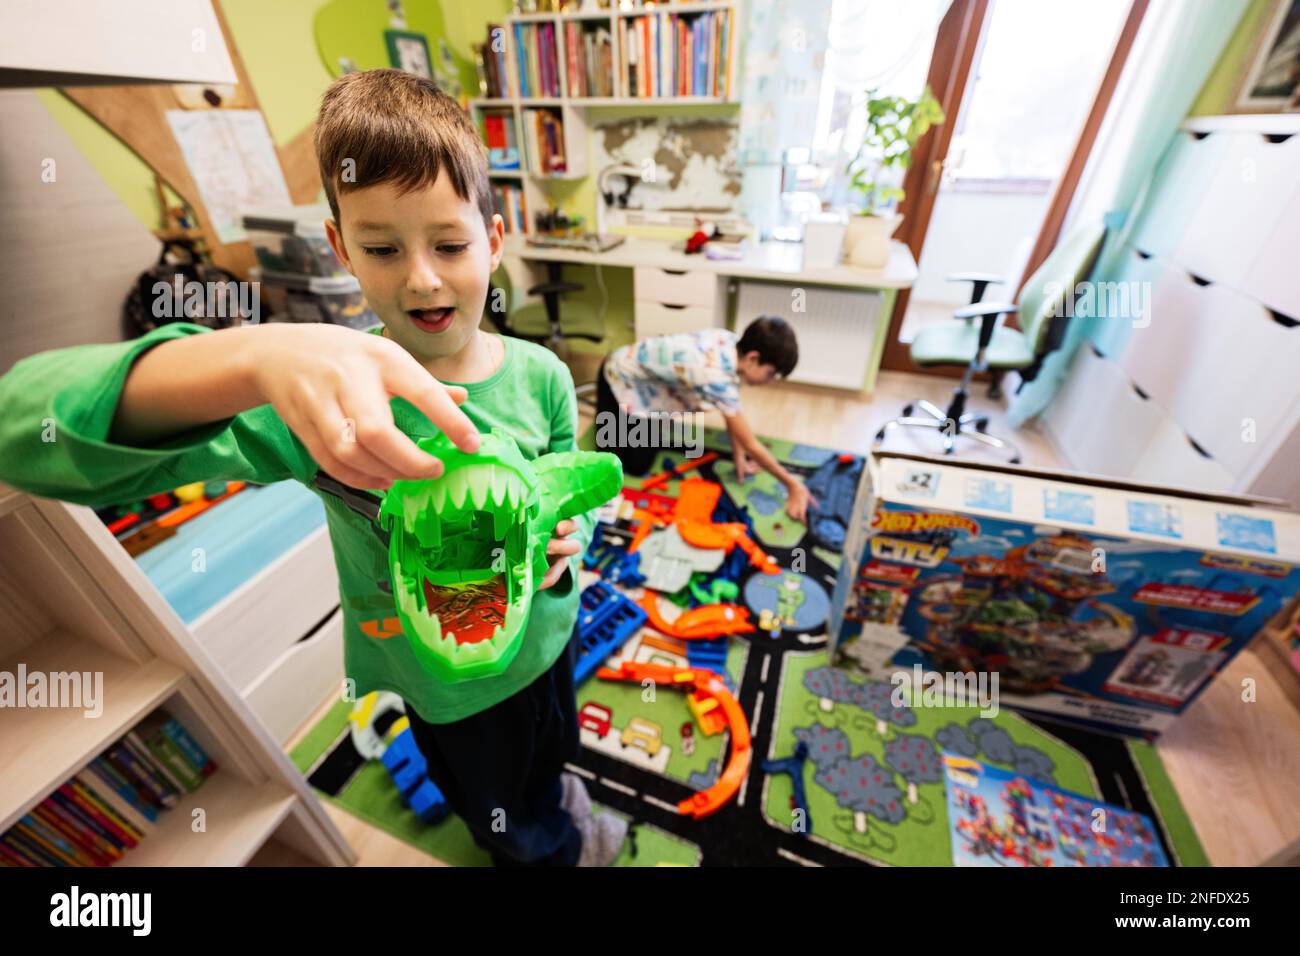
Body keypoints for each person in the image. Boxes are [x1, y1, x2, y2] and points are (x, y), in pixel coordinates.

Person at [0, 69, 624, 867]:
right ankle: (548, 849)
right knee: (500, 806)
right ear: (340, 251)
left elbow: (562, 485)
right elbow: (26, 430)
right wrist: (257, 355)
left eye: (450, 243)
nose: (423, 277)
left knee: (549, 752)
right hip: (453, 694)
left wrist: (569, 534)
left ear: (495, 241)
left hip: (551, 638)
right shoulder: (318, 401)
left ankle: (547, 802)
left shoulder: (539, 374)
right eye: (381, 248)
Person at [596, 317, 815, 521]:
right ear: (753, 358)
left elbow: (732, 415)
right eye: (770, 374)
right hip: (617, 377)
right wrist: (792, 484)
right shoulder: (715, 376)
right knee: (632, 466)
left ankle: (629, 428)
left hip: (648, 386)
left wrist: (739, 456)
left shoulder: (730, 343)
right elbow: (750, 442)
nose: (770, 382)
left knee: (645, 446)